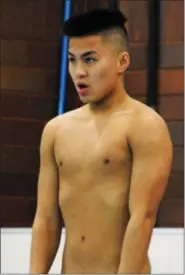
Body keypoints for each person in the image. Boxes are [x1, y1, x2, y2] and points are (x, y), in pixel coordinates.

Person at [30, 9, 173, 274]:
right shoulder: (56, 130)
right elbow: (46, 218)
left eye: (90, 60)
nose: (79, 72)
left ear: (122, 62)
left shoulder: (145, 125)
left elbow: (143, 218)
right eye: (72, 60)